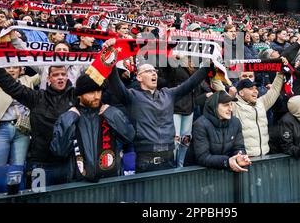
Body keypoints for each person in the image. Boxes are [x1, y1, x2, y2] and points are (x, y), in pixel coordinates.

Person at [107, 39, 212, 173]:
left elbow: (191, 83)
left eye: (154, 71)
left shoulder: (168, 94)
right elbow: (115, 82)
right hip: (144, 159)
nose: (153, 73)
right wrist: (110, 54)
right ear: (139, 77)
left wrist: (207, 65)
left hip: (168, 158)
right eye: (148, 71)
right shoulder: (132, 96)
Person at [0, 65, 78, 185]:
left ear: (68, 77)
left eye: (63, 74)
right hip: (40, 165)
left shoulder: (76, 96)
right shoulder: (36, 98)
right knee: (37, 196)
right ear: (48, 78)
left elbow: (96, 80)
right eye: (56, 75)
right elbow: (12, 87)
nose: (60, 78)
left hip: (69, 163)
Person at [50, 74, 135, 182]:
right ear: (79, 95)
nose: (97, 96)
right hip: (79, 185)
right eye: (91, 92)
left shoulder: (110, 112)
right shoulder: (69, 116)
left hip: (110, 182)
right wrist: (69, 119)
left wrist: (113, 115)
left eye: (99, 91)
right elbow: (59, 151)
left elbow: (129, 137)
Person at [185, 91, 252, 172]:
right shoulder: (200, 124)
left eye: (231, 104)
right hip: (197, 175)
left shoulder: (235, 122)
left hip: (223, 171)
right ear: (214, 107)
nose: (230, 109)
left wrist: (239, 157)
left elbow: (239, 147)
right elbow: (202, 157)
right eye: (226, 105)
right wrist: (227, 161)